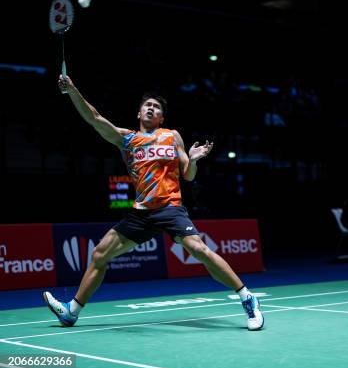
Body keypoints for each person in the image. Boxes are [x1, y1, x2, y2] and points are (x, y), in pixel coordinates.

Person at [43, 75, 264, 331]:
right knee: (99, 254)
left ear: (161, 118)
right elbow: (94, 117)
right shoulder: (127, 140)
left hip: (170, 208)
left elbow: (188, 176)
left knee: (199, 250)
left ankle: (247, 298)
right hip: (142, 213)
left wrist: (192, 160)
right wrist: (71, 90)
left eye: (156, 107)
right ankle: (72, 312)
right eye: (147, 105)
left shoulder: (172, 137)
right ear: (139, 113)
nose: (151, 108)